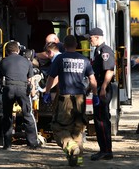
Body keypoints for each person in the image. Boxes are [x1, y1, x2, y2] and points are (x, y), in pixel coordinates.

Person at [43, 35, 97, 166]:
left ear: (64, 46)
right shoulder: (84, 60)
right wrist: (95, 95)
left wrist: (47, 91)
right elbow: (93, 80)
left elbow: (51, 78)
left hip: (65, 99)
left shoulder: (60, 59)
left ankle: (72, 148)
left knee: (58, 127)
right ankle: (77, 161)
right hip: (80, 98)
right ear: (77, 45)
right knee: (78, 130)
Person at [0, 41, 40, 150]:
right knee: (28, 115)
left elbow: (0, 79)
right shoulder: (27, 62)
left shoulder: (2, 62)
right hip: (23, 89)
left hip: (8, 89)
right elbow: (30, 80)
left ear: (7, 52)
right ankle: (33, 144)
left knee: (7, 116)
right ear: (18, 50)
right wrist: (32, 93)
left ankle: (7, 145)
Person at [88, 27, 115, 161]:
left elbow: (109, 70)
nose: (89, 40)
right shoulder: (98, 51)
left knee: (102, 120)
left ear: (97, 37)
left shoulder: (105, 51)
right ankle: (104, 149)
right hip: (98, 88)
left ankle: (106, 151)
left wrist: (103, 88)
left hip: (103, 89)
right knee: (100, 119)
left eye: (90, 38)